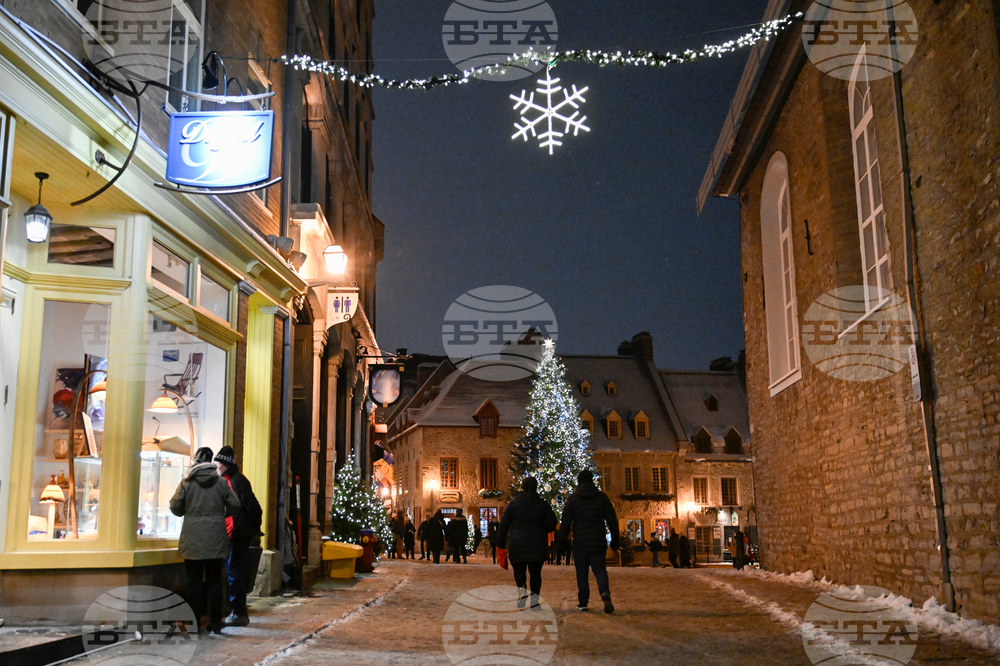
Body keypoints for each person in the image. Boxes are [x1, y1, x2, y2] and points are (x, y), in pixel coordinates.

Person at [170, 447, 240, 634]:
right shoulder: (221, 482)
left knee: (193, 581)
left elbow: (175, 507)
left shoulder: (187, 481)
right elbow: (235, 505)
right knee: (215, 580)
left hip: (192, 537)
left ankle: (193, 623)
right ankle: (215, 623)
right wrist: (220, 515)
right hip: (216, 538)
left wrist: (190, 511)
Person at [214, 446, 263, 628]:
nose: (217, 466)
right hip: (234, 533)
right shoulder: (232, 479)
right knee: (233, 571)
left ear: (225, 464)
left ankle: (239, 612)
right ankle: (237, 611)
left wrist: (249, 529)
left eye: (219, 463)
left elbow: (253, 507)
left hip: (237, 534)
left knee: (234, 572)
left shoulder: (236, 481)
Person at [559, 470, 618, 614]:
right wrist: (615, 539)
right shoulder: (602, 498)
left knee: (582, 572)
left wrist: (561, 543)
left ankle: (583, 601)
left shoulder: (572, 499)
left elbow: (565, 523)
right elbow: (612, 520)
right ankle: (604, 592)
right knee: (600, 570)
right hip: (598, 540)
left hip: (580, 541)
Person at [497, 477, 558, 608]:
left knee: (519, 571)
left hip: (517, 543)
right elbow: (552, 522)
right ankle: (535, 602)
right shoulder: (542, 504)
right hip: (537, 544)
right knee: (535, 574)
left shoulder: (513, 504)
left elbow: (503, 525)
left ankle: (522, 591)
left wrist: (500, 542)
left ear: (522, 487)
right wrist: (544, 529)